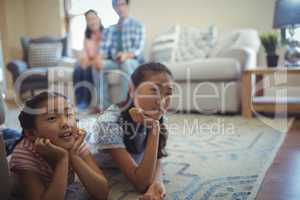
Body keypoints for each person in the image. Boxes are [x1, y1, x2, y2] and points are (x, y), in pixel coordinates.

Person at [89, 63, 173, 199]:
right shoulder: (108, 124)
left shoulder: (158, 117)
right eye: (154, 90)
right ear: (132, 90)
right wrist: (154, 129)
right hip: (93, 142)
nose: (162, 101)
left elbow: (158, 157)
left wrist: (157, 182)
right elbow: (141, 183)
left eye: (168, 93)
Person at [9, 92, 109, 200]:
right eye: (52, 118)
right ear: (32, 134)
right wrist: (62, 159)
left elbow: (102, 194)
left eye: (68, 114)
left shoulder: (74, 141)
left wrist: (73, 155)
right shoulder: (24, 154)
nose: (65, 123)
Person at [93, 0, 145, 111]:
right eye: (117, 5)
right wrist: (98, 59)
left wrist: (126, 55)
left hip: (132, 61)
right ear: (114, 8)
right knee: (97, 66)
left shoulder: (137, 26)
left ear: (127, 5)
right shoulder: (110, 29)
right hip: (115, 61)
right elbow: (103, 50)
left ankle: (126, 105)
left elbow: (138, 49)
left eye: (122, 4)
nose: (120, 8)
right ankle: (104, 106)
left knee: (126, 64)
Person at [74, 9, 104, 112]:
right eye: (89, 20)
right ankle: (80, 102)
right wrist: (84, 59)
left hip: (98, 60)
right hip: (90, 60)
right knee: (78, 69)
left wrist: (89, 61)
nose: (92, 21)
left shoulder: (106, 33)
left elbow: (103, 53)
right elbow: (85, 52)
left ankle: (86, 102)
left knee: (87, 69)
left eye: (93, 18)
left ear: (98, 19)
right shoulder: (87, 36)